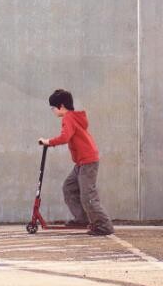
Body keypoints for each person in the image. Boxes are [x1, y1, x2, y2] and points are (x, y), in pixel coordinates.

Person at [38, 89, 115, 236]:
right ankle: (82, 219)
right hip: (81, 163)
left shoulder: (68, 118)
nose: (53, 111)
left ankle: (104, 225)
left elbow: (65, 137)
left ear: (61, 106)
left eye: (53, 108)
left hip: (88, 162)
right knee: (69, 188)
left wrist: (48, 141)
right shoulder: (73, 117)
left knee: (88, 195)